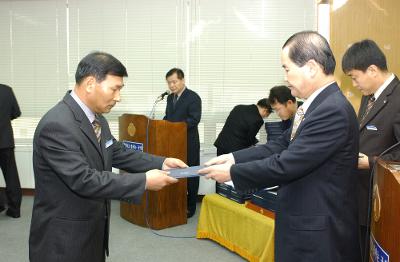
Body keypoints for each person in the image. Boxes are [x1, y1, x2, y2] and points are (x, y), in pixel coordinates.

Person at [199, 31, 361, 262]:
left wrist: (231, 173)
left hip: (318, 234)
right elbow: (280, 145)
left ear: (311, 67)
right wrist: (233, 158)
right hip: (303, 222)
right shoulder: (315, 106)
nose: (285, 77)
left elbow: (286, 164)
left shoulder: (332, 110)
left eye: (286, 68)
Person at [29, 52, 185, 262]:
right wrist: (144, 181)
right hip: (64, 239)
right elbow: (84, 179)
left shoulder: (97, 118)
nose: (118, 97)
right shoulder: (57, 125)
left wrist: (161, 161)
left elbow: (117, 152)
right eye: (115, 89)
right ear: (91, 83)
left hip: (92, 228)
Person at [342, 39, 400, 261]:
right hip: (360, 194)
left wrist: (372, 161)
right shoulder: (368, 97)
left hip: (381, 196)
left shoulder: (398, 98)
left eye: (355, 77)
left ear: (373, 70)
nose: (354, 84)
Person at [163, 68, 202, 218]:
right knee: (174, 172)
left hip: (189, 142)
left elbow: (194, 119)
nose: (171, 86)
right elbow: (168, 116)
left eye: (174, 82)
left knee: (191, 174)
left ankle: (190, 207)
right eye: (169, 83)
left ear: (182, 80)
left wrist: (174, 128)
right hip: (173, 142)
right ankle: (176, 202)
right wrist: (163, 125)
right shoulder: (169, 98)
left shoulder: (193, 97)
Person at [0, 84, 22, 218]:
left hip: (6, 140)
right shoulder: (7, 90)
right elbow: (16, 112)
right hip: (6, 140)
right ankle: (14, 210)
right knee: (11, 176)